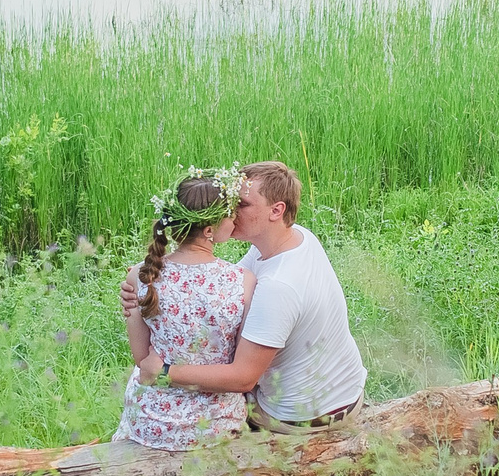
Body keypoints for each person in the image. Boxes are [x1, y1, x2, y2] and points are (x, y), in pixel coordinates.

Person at [132, 159, 367, 434]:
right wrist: (144, 280)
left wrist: (163, 371)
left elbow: (243, 378)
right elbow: (225, 291)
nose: (229, 211)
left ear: (276, 210)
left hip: (302, 415)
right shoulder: (296, 238)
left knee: (205, 395)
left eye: (241, 204)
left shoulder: (278, 286)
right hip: (344, 390)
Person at [113, 169, 258, 450]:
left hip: (153, 422)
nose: (235, 219)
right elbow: (242, 363)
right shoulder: (242, 282)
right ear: (208, 231)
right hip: (215, 425)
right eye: (230, 214)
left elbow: (142, 359)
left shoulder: (141, 276)